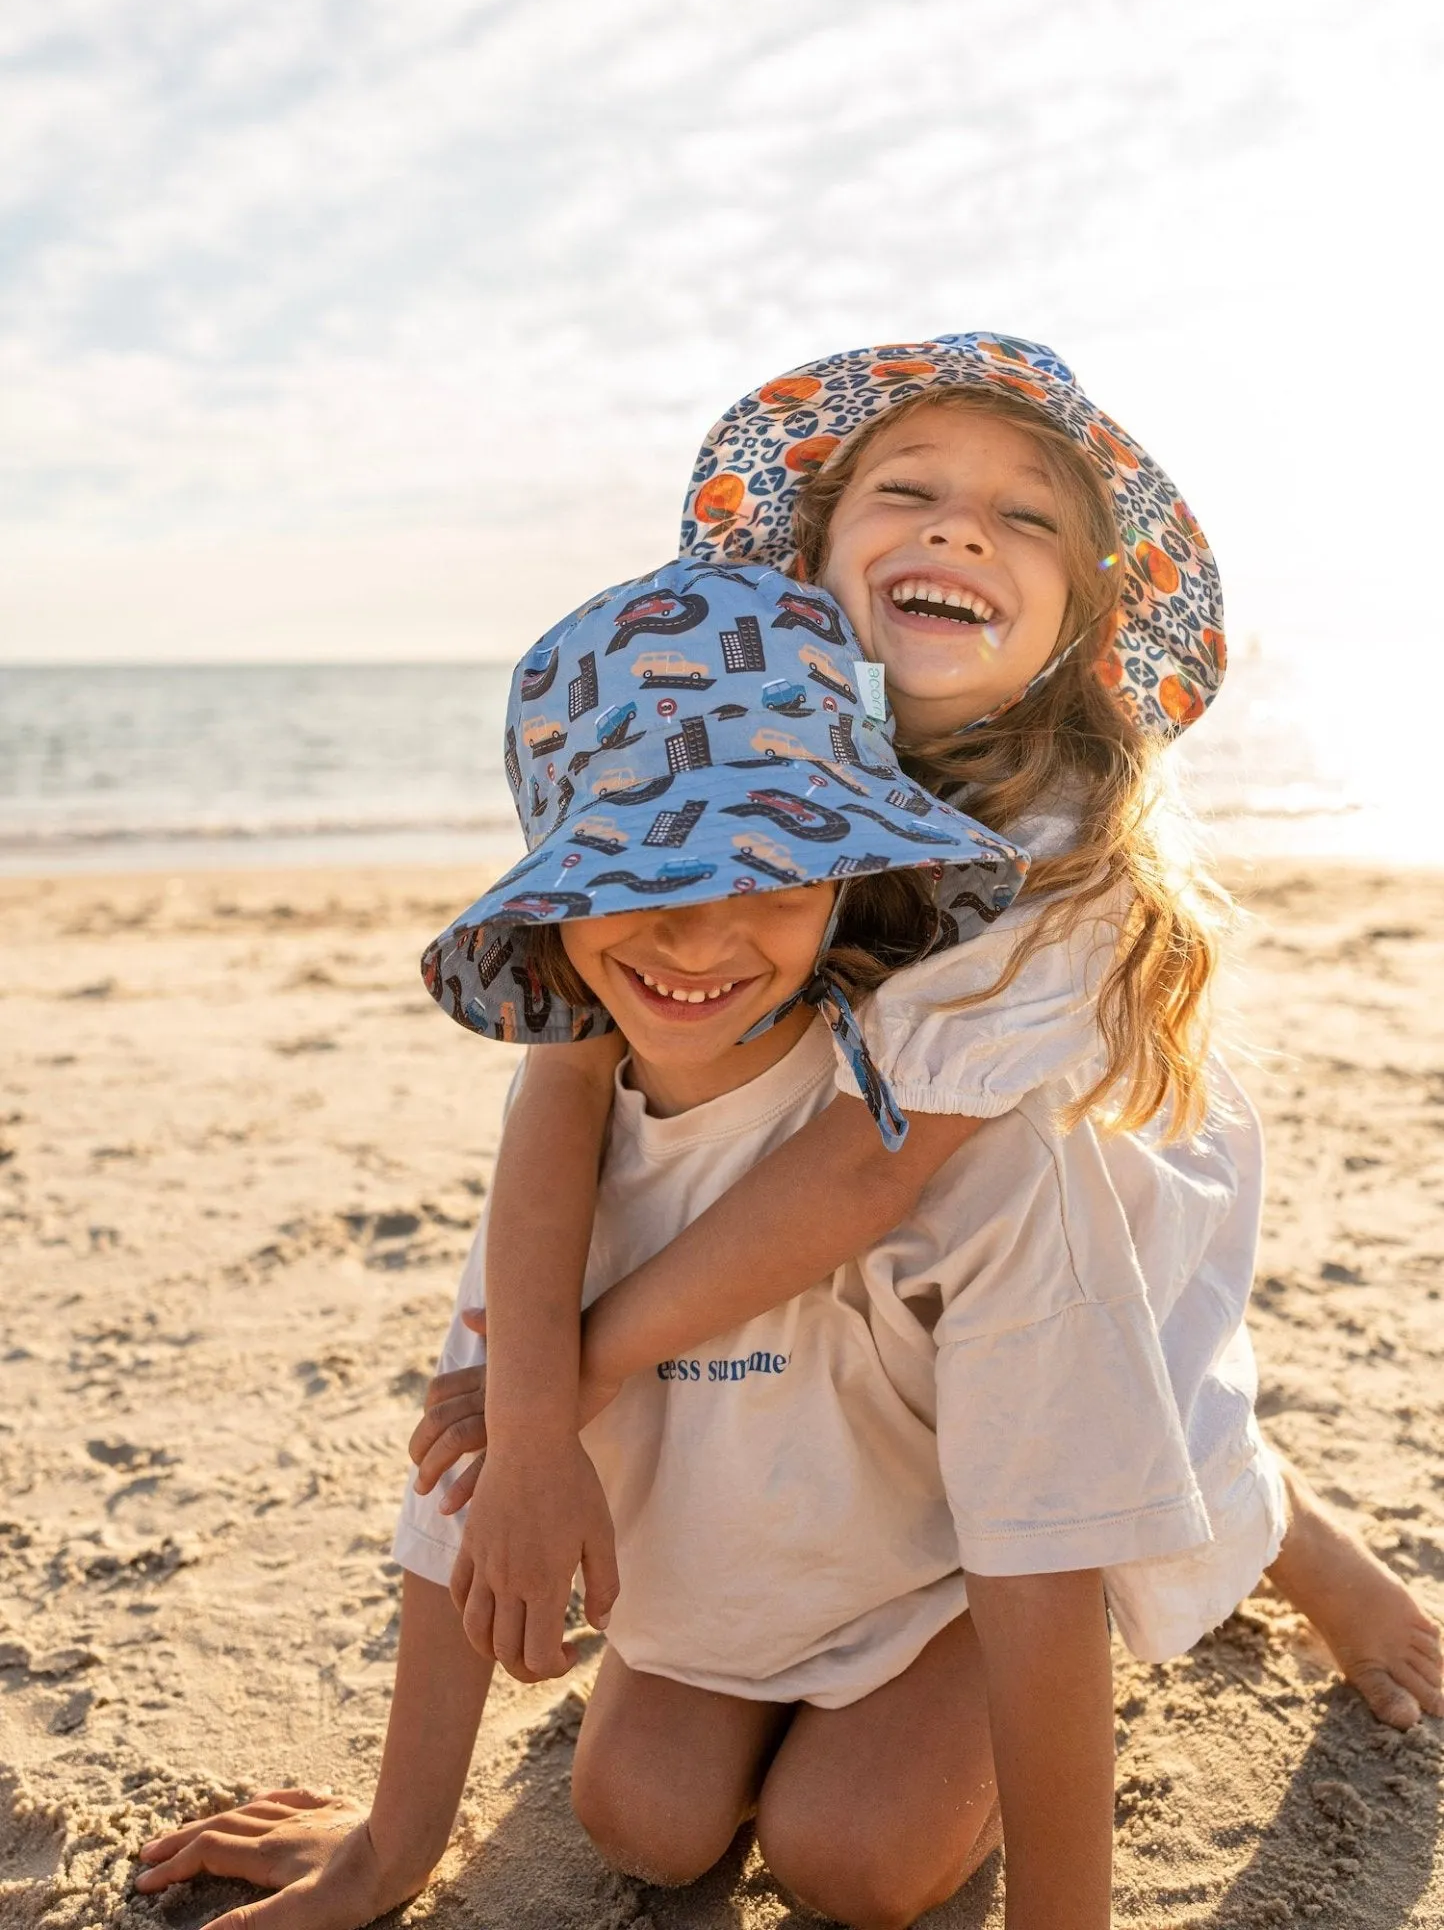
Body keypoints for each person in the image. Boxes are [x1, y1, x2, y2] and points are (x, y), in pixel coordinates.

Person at [413, 333, 1443, 1742]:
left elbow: (865, 1175)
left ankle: (1303, 1549)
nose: (962, 525)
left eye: (1026, 516)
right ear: (816, 553)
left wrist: (561, 1381)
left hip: (1035, 1190)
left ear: (1080, 618)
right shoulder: (732, 748)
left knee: (1153, 1436)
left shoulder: (1067, 859)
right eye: (908, 491)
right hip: (811, 1181)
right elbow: (571, 1067)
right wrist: (531, 1418)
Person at [131, 562, 1189, 1930]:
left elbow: (1042, 1540)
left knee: (852, 1860)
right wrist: (390, 1846)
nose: (701, 935)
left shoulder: (962, 1148)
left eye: (774, 869)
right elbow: (456, 1496)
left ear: (853, 874)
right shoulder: (562, 1167)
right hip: (730, 1614)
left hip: (935, 1601)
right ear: (558, 898)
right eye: (639, 873)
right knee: (641, 1818)